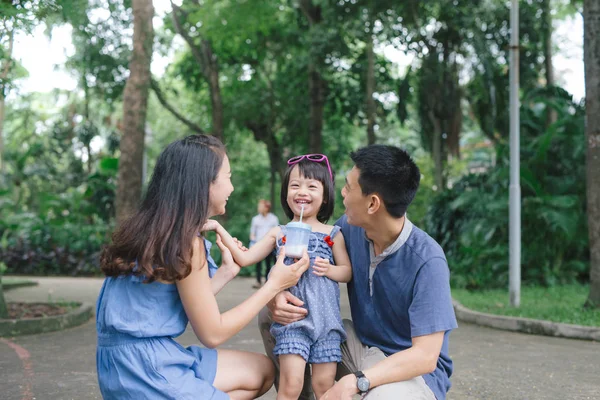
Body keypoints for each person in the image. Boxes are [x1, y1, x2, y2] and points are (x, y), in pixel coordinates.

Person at [95, 134, 309, 400]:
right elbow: (213, 333)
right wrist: (273, 285)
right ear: (204, 183)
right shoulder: (186, 244)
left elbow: (167, 303)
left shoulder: (153, 230)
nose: (231, 187)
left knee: (263, 371)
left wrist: (225, 273)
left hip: (120, 367)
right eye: (228, 176)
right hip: (147, 371)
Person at [259, 144, 458, 400]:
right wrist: (273, 294)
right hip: (358, 347)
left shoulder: (427, 260)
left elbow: (425, 356)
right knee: (276, 312)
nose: (341, 193)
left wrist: (357, 382)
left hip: (409, 371)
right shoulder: (348, 230)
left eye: (349, 187)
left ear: (372, 203)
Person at [207, 154, 352, 400]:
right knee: (290, 386)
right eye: (295, 185)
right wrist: (221, 231)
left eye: (311, 186)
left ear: (325, 195)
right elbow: (246, 258)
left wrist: (329, 269)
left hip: (327, 325)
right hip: (292, 323)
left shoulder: (333, 234)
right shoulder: (279, 233)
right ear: (286, 194)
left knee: (324, 386)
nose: (301, 191)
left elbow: (347, 272)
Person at [250, 199, 279, 288]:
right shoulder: (255, 219)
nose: (259, 208)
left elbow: (277, 232)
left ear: (266, 208)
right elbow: (252, 233)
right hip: (258, 244)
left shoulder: (274, 219)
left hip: (270, 245)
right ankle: (258, 281)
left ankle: (268, 281)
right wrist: (253, 243)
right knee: (258, 264)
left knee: (269, 264)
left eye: (261, 206)